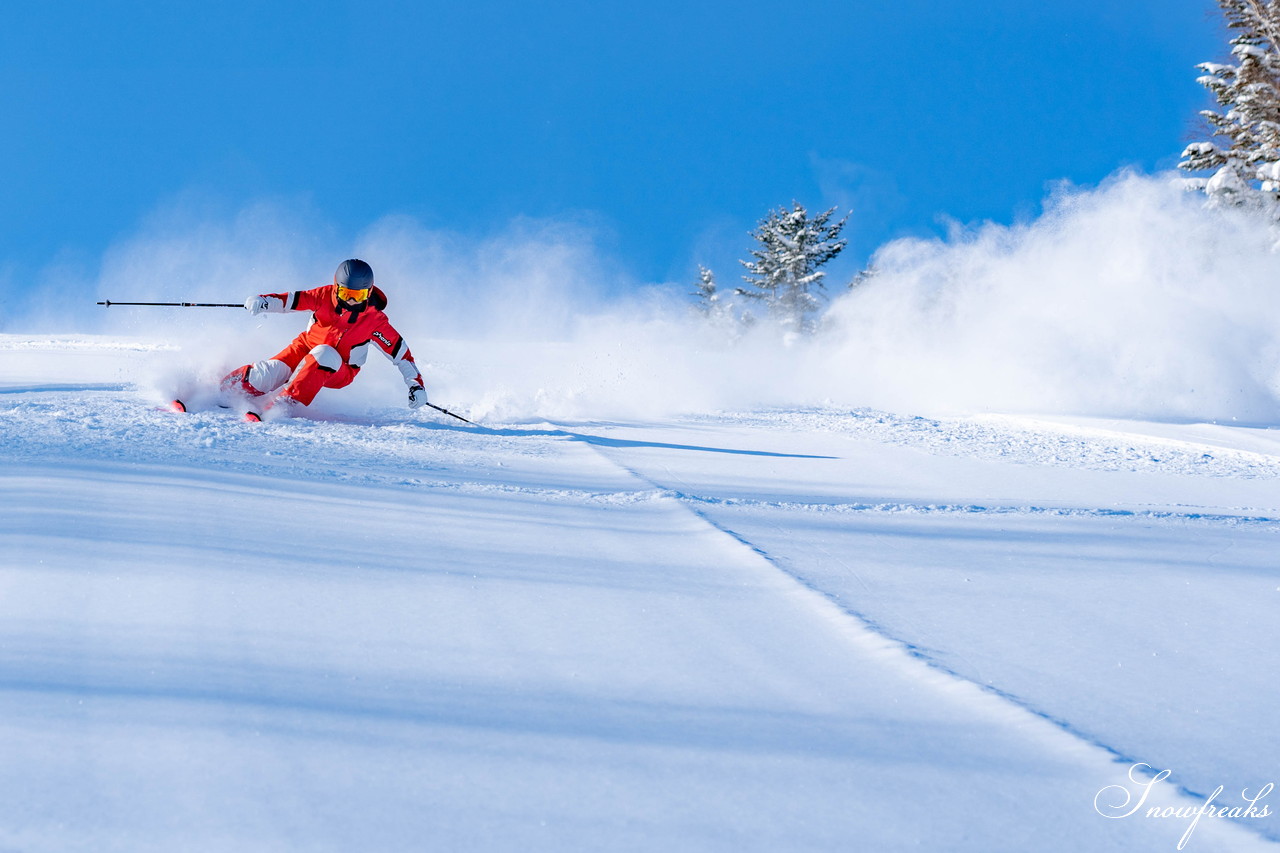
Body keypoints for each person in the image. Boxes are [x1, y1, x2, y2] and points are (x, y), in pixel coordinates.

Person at [221, 259, 428, 419]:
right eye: (346, 293)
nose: (352, 301)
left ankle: (282, 406)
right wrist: (264, 301)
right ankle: (222, 391)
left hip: (340, 369)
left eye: (360, 295)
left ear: (369, 292)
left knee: (325, 354)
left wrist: (416, 386)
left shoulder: (375, 320)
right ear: (336, 287)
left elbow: (402, 356)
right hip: (305, 347)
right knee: (267, 373)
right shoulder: (324, 295)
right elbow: (291, 301)